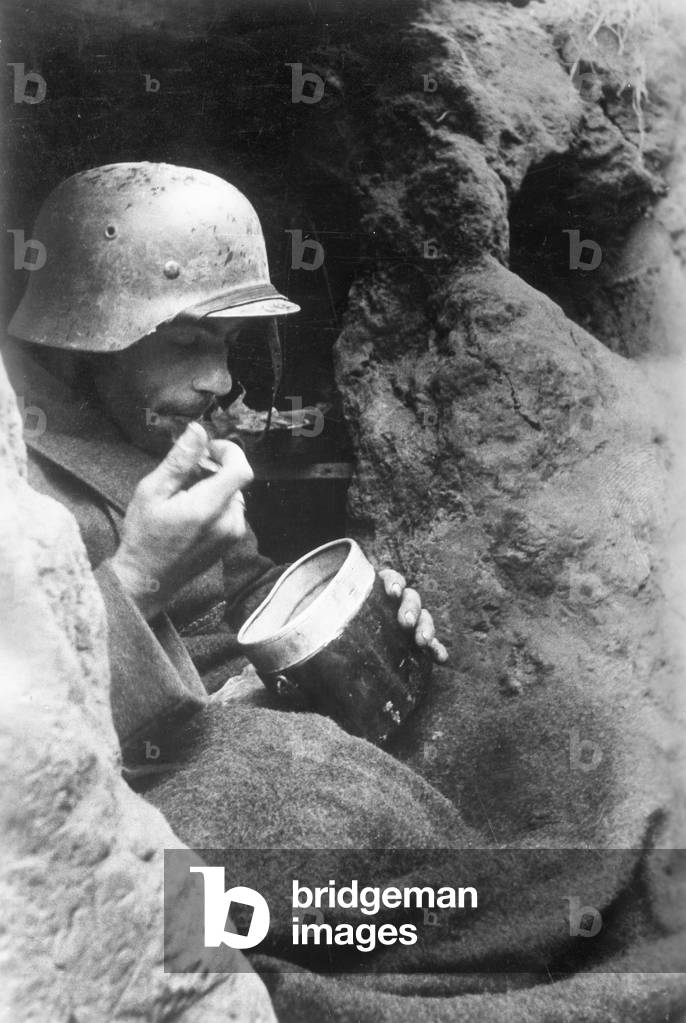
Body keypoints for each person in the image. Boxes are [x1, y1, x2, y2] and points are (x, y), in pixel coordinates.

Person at [4, 161, 447, 771]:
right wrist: (141, 576)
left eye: (228, 344)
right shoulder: (15, 470)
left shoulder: (150, 429)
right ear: (88, 334)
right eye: (187, 343)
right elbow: (22, 728)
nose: (221, 381)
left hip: (251, 742)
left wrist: (334, 614)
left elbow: (235, 592)